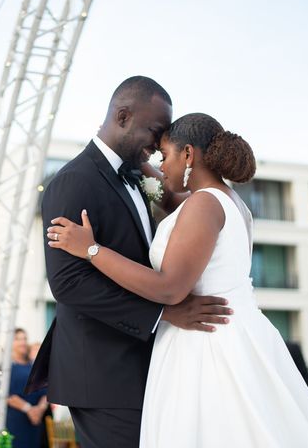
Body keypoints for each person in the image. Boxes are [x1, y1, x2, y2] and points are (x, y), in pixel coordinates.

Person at [46, 113, 308, 446]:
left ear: (188, 155)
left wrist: (92, 249)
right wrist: (134, 162)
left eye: (165, 156)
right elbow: (167, 196)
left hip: (207, 346)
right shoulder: (225, 201)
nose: (160, 165)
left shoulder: (203, 203)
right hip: (230, 335)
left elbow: (169, 288)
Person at [26, 77, 233, 448]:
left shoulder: (138, 175)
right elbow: (68, 284)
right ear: (122, 116)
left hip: (141, 367)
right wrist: (163, 313)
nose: (158, 145)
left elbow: (193, 206)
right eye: (155, 131)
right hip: (103, 373)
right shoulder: (73, 182)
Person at [7, 328, 48, 448]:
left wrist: (40, 409)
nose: (22, 342)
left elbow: (46, 391)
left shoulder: (34, 365)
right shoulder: (7, 367)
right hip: (16, 422)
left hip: (36, 421)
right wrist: (29, 410)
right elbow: (7, 396)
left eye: (24, 338)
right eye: (18, 339)